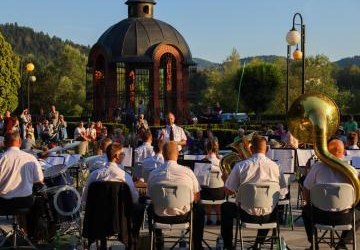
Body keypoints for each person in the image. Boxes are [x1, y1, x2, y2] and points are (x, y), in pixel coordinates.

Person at [221, 135, 287, 250]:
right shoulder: (276, 167)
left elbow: (228, 191)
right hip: (268, 216)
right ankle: (258, 243)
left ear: (251, 149)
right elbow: (283, 192)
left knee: (226, 206)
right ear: (267, 149)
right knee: (271, 205)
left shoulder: (240, 166)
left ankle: (228, 246)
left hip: (245, 215)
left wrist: (225, 180)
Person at [302, 139, 360, 249]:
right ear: (344, 153)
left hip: (319, 216)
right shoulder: (351, 170)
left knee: (305, 210)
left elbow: (306, 189)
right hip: (345, 217)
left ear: (327, 151)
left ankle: (314, 244)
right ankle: (343, 242)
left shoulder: (317, 168)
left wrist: (311, 204)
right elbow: (357, 195)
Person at [147, 141, 205, 250]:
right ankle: (197, 245)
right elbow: (197, 197)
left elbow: (150, 196)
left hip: (159, 216)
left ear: (163, 155)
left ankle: (157, 243)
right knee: (199, 209)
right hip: (183, 216)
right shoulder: (188, 172)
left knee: (150, 208)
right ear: (177, 155)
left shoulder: (153, 174)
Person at [82, 143, 144, 241]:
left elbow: (85, 198)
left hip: (98, 218)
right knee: (140, 208)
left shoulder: (94, 176)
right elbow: (134, 199)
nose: (123, 156)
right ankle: (132, 239)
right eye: (122, 154)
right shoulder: (125, 177)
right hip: (120, 219)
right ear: (116, 156)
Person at [0, 130, 44, 210]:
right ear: (20, 141)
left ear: (5, 143)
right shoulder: (31, 158)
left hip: (4, 202)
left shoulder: (1, 159)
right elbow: (39, 180)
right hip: (25, 200)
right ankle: (28, 222)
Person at [200, 138, 225, 225]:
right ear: (216, 149)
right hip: (219, 192)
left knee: (207, 202)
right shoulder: (221, 161)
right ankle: (219, 219)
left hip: (206, 193)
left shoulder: (203, 161)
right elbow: (224, 177)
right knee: (218, 202)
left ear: (206, 148)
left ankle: (208, 219)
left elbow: (199, 179)